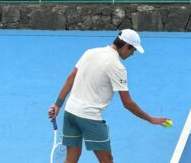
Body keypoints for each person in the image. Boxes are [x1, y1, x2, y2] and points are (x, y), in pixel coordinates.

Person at [48, 29, 169, 163]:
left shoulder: (90, 52)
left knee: (72, 157)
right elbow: (127, 103)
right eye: (132, 50)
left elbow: (71, 78)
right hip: (89, 118)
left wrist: (57, 104)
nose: (132, 54)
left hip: (70, 112)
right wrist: (150, 119)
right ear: (125, 46)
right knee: (107, 160)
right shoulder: (117, 67)